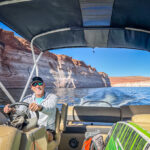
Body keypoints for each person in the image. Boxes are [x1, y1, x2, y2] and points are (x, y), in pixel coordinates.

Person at [3, 76, 58, 142]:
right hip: (31, 128)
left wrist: (39, 107)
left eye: (40, 83)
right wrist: (11, 110)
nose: (37, 86)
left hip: (47, 130)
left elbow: (49, 108)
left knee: (38, 137)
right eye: (34, 84)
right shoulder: (27, 99)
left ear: (44, 85)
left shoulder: (52, 97)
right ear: (31, 88)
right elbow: (20, 111)